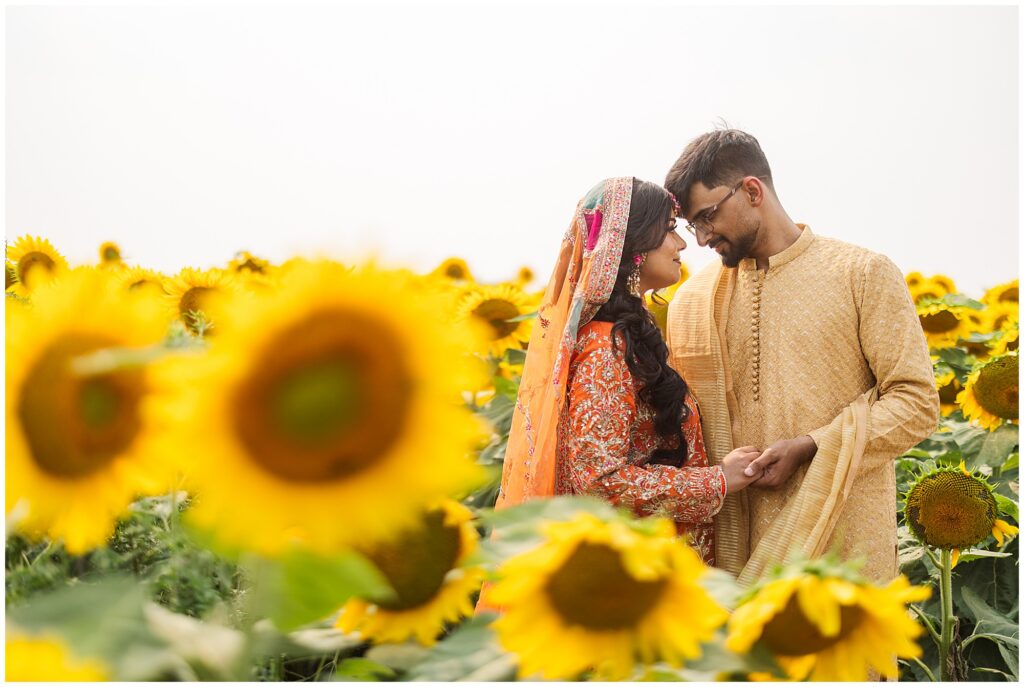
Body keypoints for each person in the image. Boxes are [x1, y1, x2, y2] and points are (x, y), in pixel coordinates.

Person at [663, 129, 940, 585]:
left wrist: (811, 446)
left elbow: (917, 404)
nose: (701, 236)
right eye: (692, 224)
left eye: (707, 216)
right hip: (735, 562)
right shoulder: (692, 301)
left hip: (844, 552)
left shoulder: (861, 274)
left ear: (752, 191)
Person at [493, 176, 762, 566]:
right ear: (633, 245)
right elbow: (599, 481)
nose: (683, 244)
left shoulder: (627, 337)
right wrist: (718, 480)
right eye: (670, 231)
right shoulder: (606, 347)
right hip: (631, 580)